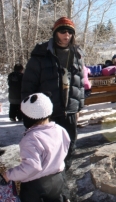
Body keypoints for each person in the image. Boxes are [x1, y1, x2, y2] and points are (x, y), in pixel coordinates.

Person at [21, 17, 84, 173]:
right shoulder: (41, 54)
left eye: (70, 32)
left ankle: (63, 173)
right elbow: (29, 83)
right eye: (63, 31)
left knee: (69, 143)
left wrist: (78, 107)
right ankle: (49, 177)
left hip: (69, 108)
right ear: (55, 33)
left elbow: (80, 82)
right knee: (48, 147)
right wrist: (28, 112)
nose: (66, 35)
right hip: (47, 111)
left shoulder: (76, 53)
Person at [0, 93, 70, 202]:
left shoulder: (31, 138)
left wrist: (9, 175)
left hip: (36, 186)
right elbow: (65, 149)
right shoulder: (60, 130)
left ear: (29, 118)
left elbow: (32, 167)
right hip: (57, 179)